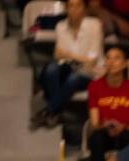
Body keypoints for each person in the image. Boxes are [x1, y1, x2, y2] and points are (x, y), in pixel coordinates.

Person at [31, 0, 104, 130]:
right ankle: (56, 113)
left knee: (73, 78)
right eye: (71, 5)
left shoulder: (94, 25)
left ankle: (50, 110)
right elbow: (58, 56)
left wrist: (68, 54)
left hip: (91, 72)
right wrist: (72, 56)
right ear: (66, 8)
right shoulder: (60, 26)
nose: (75, 9)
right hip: (69, 68)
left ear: (84, 9)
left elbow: (91, 60)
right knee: (51, 69)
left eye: (78, 5)